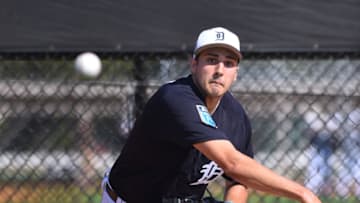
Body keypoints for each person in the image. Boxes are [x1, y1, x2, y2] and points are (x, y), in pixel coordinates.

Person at [100, 27, 321, 203]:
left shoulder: (235, 116)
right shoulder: (176, 99)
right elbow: (232, 163)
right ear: (194, 64)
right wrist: (302, 192)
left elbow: (237, 180)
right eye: (212, 59)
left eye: (229, 63)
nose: (219, 70)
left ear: (236, 73)